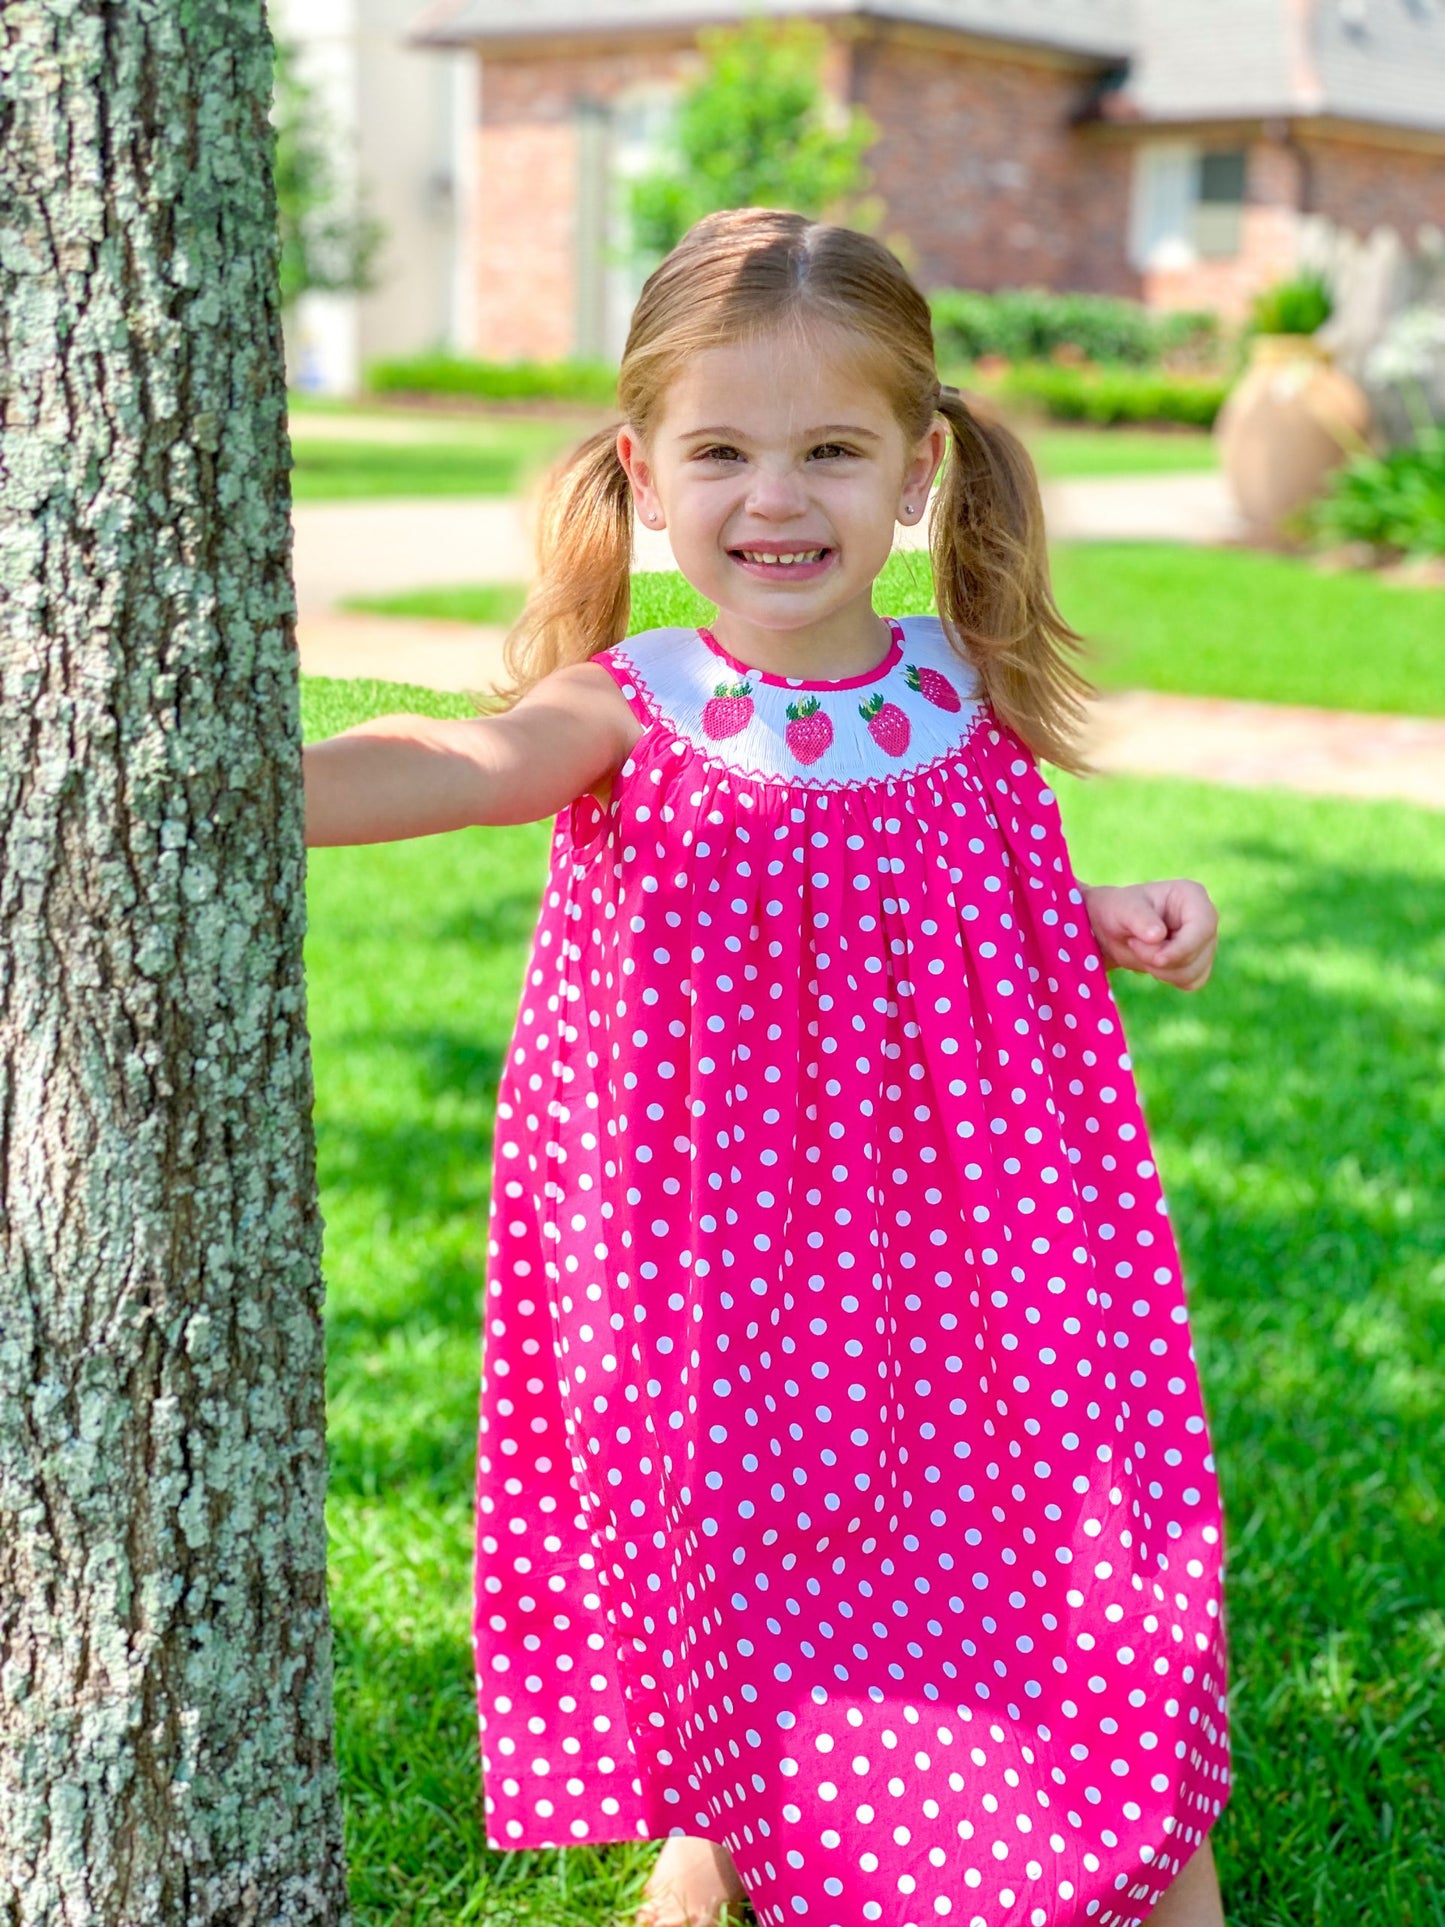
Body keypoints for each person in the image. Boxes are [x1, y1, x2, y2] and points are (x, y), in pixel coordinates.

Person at [304, 208, 1230, 1927]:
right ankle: (716, 1836)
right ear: (645, 475)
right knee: (742, 1563)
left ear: (916, 470)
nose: (776, 498)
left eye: (829, 450)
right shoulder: (635, 705)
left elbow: (972, 903)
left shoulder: (958, 688)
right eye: (721, 451)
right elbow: (463, 757)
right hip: (716, 1269)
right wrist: (238, 785)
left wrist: (1119, 909)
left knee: (1072, 1559)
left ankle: (1143, 1845)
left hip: (974, 1255)